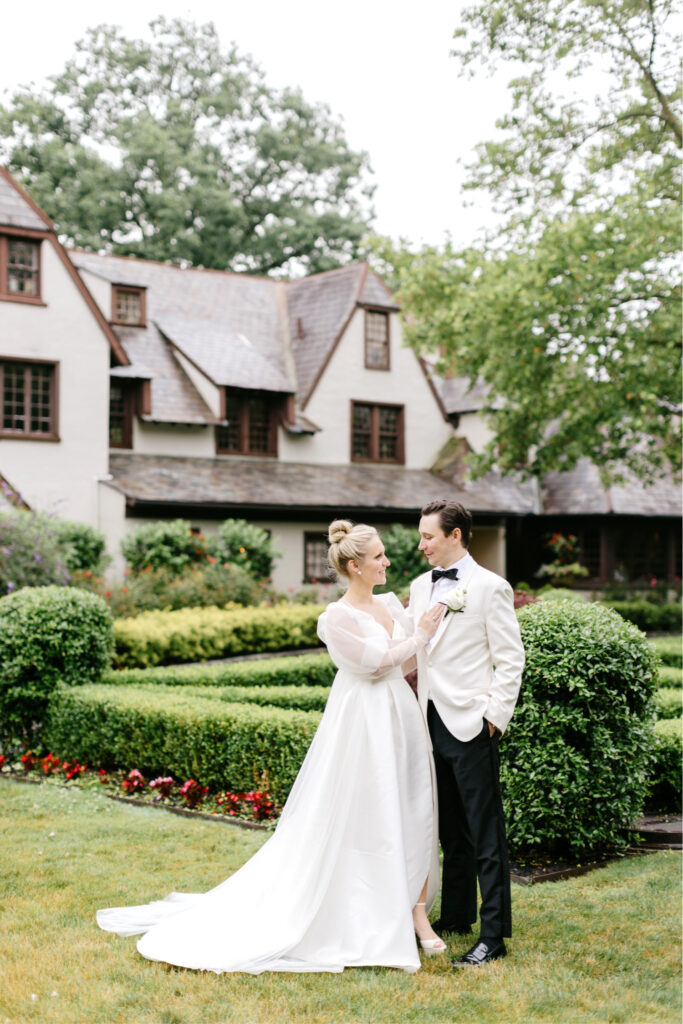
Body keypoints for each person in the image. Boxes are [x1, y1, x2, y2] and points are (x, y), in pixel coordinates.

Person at [97, 520, 446, 974]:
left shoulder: (389, 604)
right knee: (369, 808)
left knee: (412, 802)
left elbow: (410, 660)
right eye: (379, 556)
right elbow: (374, 664)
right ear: (355, 566)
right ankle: (371, 910)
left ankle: (414, 910)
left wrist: (424, 633)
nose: (387, 562)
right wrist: (418, 635)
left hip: (401, 715)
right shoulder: (336, 618)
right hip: (364, 721)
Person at [409, 499, 525, 968]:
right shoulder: (420, 587)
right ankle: (456, 916)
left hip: (471, 724)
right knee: (448, 830)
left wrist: (493, 717)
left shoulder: (490, 587)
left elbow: (510, 658)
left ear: (455, 535)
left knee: (485, 832)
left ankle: (493, 934)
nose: (421, 546)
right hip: (427, 722)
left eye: (428, 537)